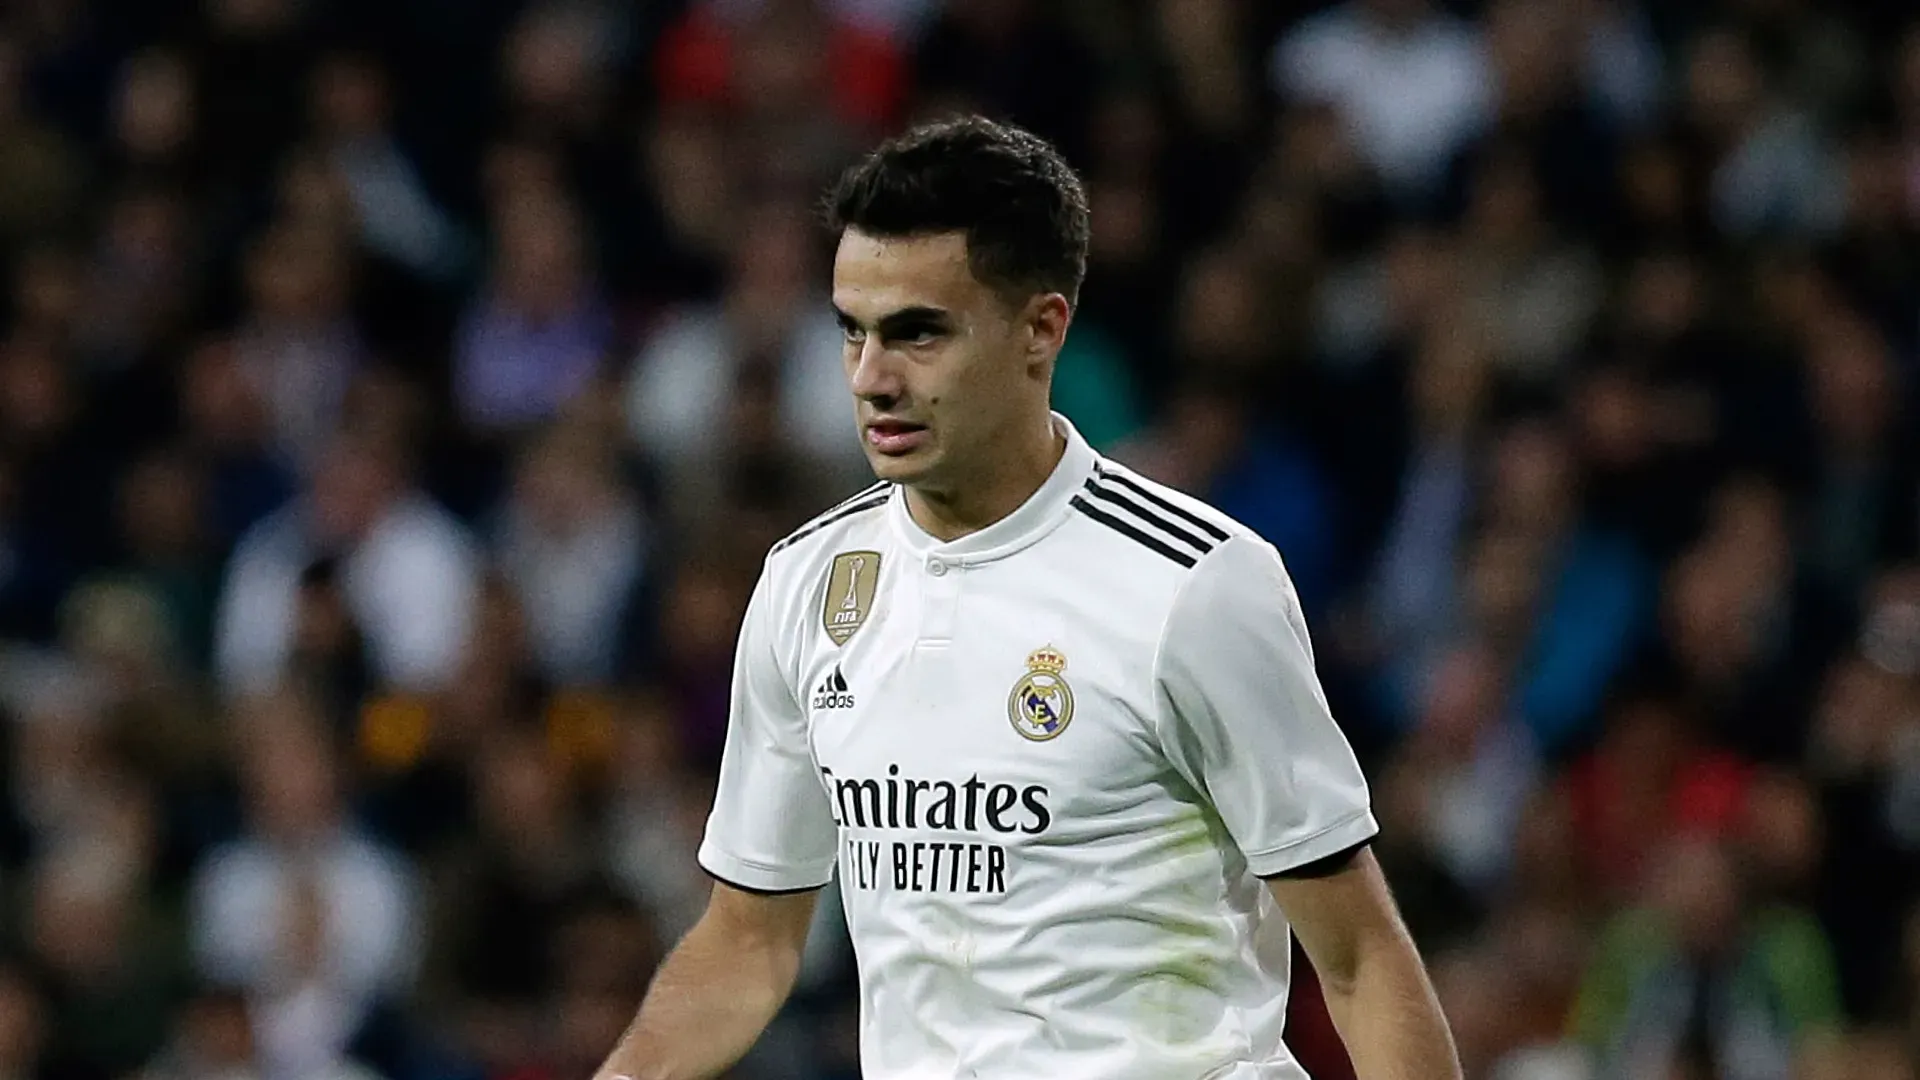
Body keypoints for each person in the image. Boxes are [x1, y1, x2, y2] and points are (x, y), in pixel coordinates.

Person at [592, 115, 1459, 1080]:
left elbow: (1358, 956)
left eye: (919, 332)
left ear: (1042, 328)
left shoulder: (1193, 585)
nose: (873, 378)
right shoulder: (809, 586)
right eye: (852, 331)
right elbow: (749, 941)